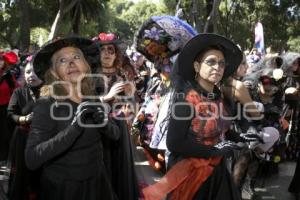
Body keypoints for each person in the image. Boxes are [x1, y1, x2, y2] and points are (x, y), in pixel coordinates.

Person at [143, 33, 244, 200]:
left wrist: (240, 138)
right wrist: (214, 151)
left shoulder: (217, 96)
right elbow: (175, 143)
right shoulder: (187, 100)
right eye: (211, 62)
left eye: (221, 63)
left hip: (217, 172)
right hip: (192, 176)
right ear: (197, 66)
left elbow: (221, 129)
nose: (217, 67)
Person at [25, 36, 120, 200]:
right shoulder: (46, 105)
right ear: (55, 73)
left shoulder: (92, 97)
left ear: (86, 66)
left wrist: (104, 123)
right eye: (62, 60)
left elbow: (115, 134)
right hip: (64, 189)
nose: (71, 63)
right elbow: (32, 158)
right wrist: (74, 129)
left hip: (98, 185)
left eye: (76, 57)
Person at [93, 33, 140, 200]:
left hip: (119, 126)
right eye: (103, 50)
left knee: (119, 167)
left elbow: (132, 104)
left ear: (116, 54)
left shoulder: (122, 75)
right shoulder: (89, 75)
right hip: (97, 126)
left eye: (111, 50)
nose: (107, 53)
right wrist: (105, 97)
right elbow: (83, 101)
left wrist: (129, 98)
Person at [7, 57, 43, 200]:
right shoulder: (19, 92)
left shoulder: (53, 92)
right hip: (23, 139)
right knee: (23, 174)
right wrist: (24, 119)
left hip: (46, 139)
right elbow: (11, 114)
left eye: (35, 72)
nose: (31, 75)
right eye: (27, 72)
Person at [0, 51, 19, 166]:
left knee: (5, 133)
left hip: (5, 108)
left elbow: (16, 89)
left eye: (1, 59)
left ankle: (4, 157)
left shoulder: (8, 75)